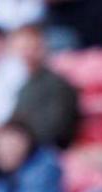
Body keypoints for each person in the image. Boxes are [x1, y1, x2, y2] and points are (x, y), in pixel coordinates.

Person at [8, 22, 80, 151]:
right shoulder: (23, 84)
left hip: (47, 152)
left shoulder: (58, 85)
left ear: (43, 48)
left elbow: (55, 131)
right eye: (22, 49)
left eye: (32, 47)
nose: (27, 54)